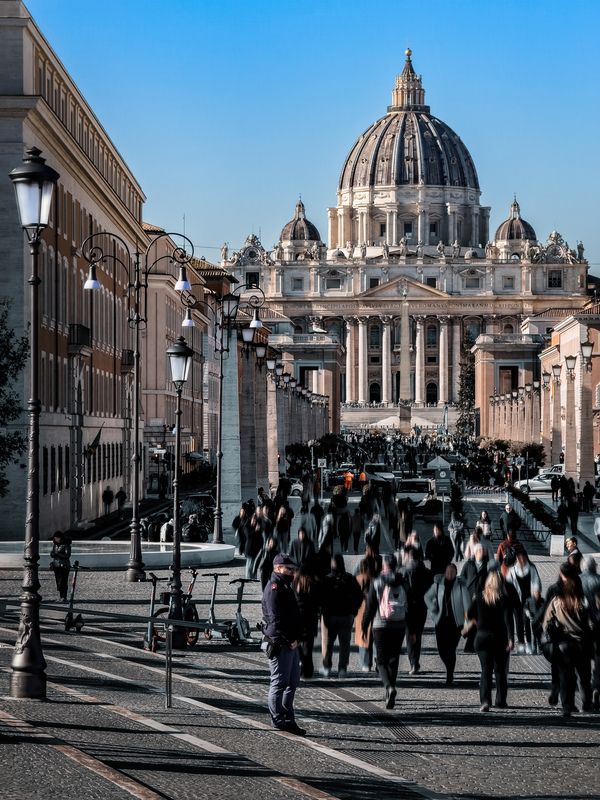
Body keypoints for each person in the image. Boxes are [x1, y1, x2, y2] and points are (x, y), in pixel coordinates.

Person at [541, 562, 593, 716]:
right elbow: (591, 623)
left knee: (566, 676)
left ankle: (567, 706)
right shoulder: (583, 601)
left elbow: (546, 623)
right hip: (581, 643)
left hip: (563, 644)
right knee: (584, 676)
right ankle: (587, 703)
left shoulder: (557, 600)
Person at [261, 553, 305, 734]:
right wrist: (291, 640)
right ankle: (278, 720)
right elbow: (275, 620)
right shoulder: (275, 588)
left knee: (292, 682)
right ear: (278, 568)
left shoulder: (286, 585)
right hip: (280, 643)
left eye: (293, 569)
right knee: (279, 683)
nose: (292, 572)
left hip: (291, 642)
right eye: (289, 569)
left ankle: (288, 717)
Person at [362, 554, 409, 708]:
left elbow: (369, 607)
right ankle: (391, 690)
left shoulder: (377, 582)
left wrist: (364, 625)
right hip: (399, 624)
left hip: (380, 624)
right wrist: (412, 628)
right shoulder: (403, 581)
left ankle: (389, 687)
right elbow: (412, 605)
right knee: (394, 658)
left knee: (381, 660)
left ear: (384, 566)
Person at [467, 569, 514, 712]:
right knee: (500, 671)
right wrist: (511, 638)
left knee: (485, 670)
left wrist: (477, 621)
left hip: (481, 638)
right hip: (499, 638)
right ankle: (500, 700)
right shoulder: (504, 599)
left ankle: (485, 701)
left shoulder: (479, 597)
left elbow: (469, 614)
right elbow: (508, 621)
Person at [424, 563, 471, 686]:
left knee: (451, 649)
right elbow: (427, 597)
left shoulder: (461, 586)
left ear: (456, 573)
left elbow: (468, 607)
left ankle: (450, 673)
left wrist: (467, 623)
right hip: (441, 621)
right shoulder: (438, 585)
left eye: (452, 572)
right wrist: (433, 608)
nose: (450, 574)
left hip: (456, 623)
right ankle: (449, 667)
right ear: (445, 572)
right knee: (441, 649)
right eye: (448, 571)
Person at [320, 554, 363, 678]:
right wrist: (353, 612)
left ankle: (327, 667)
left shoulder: (326, 579)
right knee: (345, 645)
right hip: (346, 616)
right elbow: (359, 597)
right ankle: (342, 669)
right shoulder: (350, 578)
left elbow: (319, 598)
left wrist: (322, 611)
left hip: (329, 616)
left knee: (328, 643)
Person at [402, 546, 433, 674]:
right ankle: (416, 662)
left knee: (410, 636)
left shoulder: (404, 571)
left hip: (408, 607)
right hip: (422, 606)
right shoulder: (426, 571)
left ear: (409, 556)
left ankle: (413, 663)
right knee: (418, 635)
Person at [506, 552, 542, 654]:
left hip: (529, 600)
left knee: (527, 622)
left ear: (526, 558)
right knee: (518, 622)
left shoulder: (531, 569)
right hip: (516, 600)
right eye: (519, 558)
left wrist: (536, 593)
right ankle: (521, 644)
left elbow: (536, 583)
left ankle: (529, 644)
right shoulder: (512, 570)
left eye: (522, 558)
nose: (521, 560)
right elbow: (508, 585)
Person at [293, 565, 321, 679]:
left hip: (298, 618)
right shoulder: (313, 584)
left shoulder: (294, 584)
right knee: (308, 647)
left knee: (297, 644)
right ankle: (307, 671)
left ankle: (301, 665)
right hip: (311, 619)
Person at [580, 557, 600, 710]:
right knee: (598, 663)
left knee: (583, 665)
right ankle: (596, 688)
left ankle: (586, 700)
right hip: (598, 627)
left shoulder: (576, 581)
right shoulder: (599, 581)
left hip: (581, 628)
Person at [355, 557, 377, 672]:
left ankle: (366, 663)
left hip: (360, 610)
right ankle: (377, 659)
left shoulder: (358, 579)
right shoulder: (375, 579)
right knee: (374, 636)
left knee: (363, 636)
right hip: (373, 608)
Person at [50, 530, 71, 602]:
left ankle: (64, 597)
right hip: (56, 565)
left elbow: (67, 555)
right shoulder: (55, 545)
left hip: (64, 565)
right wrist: (53, 554)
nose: (56, 539)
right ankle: (61, 596)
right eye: (55, 538)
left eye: (57, 538)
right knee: (58, 581)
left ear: (61, 538)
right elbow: (53, 553)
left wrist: (57, 554)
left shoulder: (66, 545)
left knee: (63, 581)